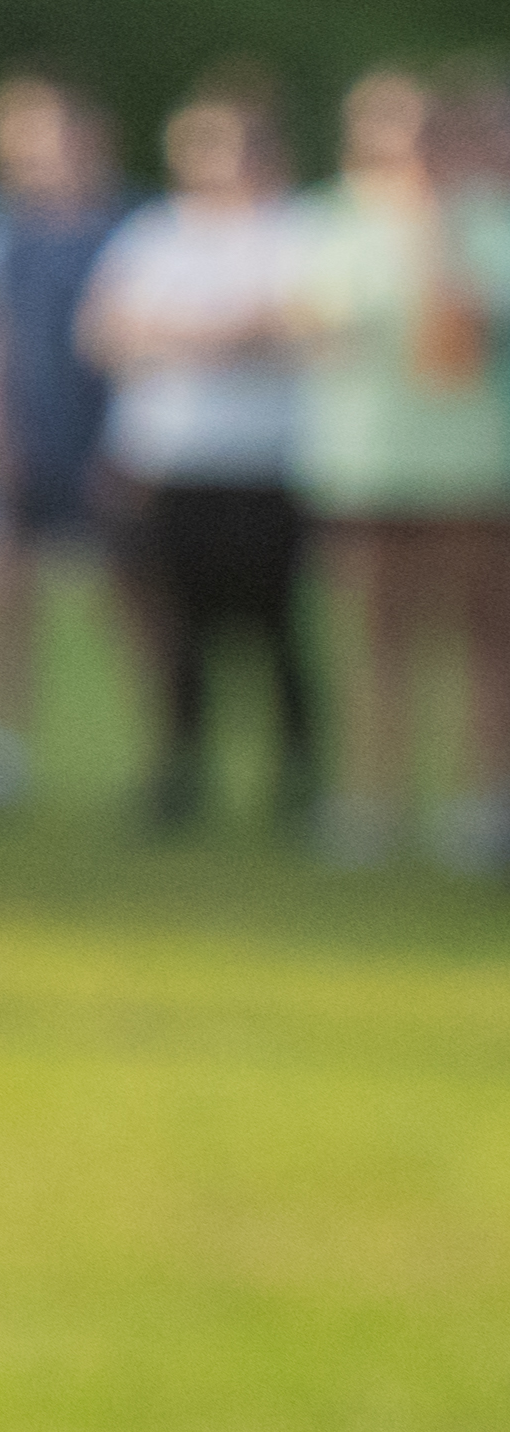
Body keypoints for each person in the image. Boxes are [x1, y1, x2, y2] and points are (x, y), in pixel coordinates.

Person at [85, 65, 323, 835]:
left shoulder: (297, 228)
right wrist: (217, 333)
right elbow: (105, 329)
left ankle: (298, 773)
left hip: (267, 461)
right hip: (170, 460)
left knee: (274, 627)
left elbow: (290, 324)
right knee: (175, 628)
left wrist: (184, 333)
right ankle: (180, 769)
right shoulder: (154, 233)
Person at [285, 67, 510, 872]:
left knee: (490, 644)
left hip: (479, 471)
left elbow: (472, 325)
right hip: (372, 466)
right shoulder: (337, 221)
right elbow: (313, 322)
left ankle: (484, 804)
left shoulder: (490, 220)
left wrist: (441, 233)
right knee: (375, 642)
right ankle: (371, 800)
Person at [0, 70, 140, 816]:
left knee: (131, 599)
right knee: (4, 598)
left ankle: (160, 748)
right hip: (28, 434)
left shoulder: (129, 227)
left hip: (107, 436)